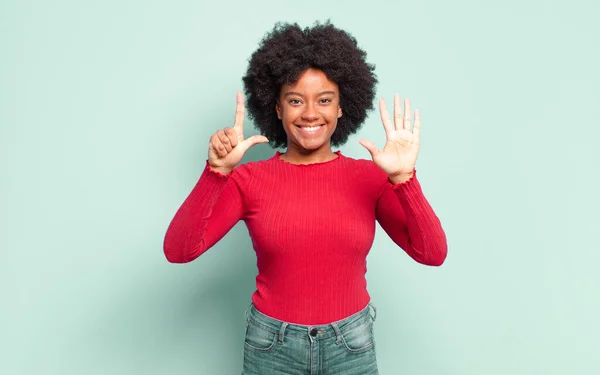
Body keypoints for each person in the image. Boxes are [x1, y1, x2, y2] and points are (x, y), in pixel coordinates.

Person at [163, 21, 447, 375]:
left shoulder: (371, 178)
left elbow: (432, 254)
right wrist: (216, 172)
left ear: (342, 107)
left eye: (324, 100)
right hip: (272, 347)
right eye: (295, 100)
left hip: (351, 345)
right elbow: (178, 250)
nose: (310, 113)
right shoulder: (249, 180)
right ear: (277, 108)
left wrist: (404, 179)